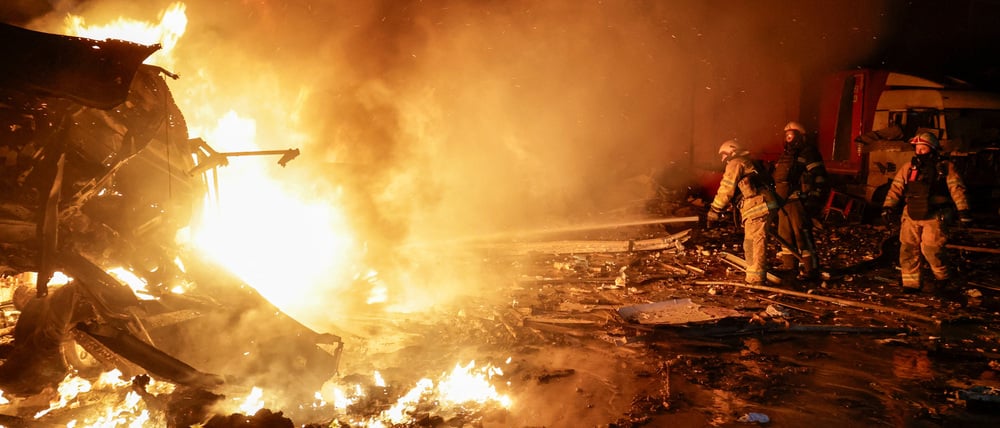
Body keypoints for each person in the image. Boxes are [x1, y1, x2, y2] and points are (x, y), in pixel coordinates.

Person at [881, 132, 972, 292]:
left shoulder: (945, 167)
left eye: (923, 148)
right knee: (908, 249)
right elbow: (896, 187)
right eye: (917, 148)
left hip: (935, 215)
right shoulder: (909, 167)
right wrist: (888, 207)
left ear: (933, 149)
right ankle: (911, 285)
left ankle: (943, 278)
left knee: (932, 250)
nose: (919, 152)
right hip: (911, 213)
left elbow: (956, 189)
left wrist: (963, 211)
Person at [706, 140, 780, 285]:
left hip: (758, 206)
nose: (722, 159)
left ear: (732, 152)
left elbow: (726, 189)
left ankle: (755, 279)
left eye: (724, 155)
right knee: (752, 241)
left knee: (754, 242)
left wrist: (715, 209)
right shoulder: (747, 162)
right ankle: (754, 275)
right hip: (763, 204)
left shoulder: (736, 163)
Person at [771, 121, 828, 279]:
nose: (788, 136)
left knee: (801, 235)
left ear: (800, 136)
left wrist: (814, 199)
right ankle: (789, 265)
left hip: (797, 200)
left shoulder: (808, 152)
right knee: (784, 234)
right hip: (783, 201)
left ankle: (811, 269)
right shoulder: (786, 154)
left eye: (792, 133)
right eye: (786, 133)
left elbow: (819, 176)